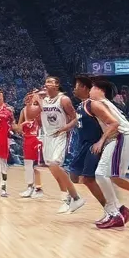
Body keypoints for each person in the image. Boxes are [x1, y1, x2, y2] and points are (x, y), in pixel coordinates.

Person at [88, 77, 129, 229]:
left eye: (92, 88)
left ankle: (116, 213)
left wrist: (101, 141)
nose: (89, 90)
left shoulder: (99, 103)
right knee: (113, 177)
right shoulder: (106, 103)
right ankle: (125, 208)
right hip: (125, 137)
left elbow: (115, 124)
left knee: (102, 174)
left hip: (122, 137)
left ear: (100, 90)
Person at [38, 76, 86, 214]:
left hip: (60, 135)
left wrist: (64, 129)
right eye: (46, 81)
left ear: (57, 85)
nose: (46, 84)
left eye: (50, 82)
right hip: (47, 137)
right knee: (53, 169)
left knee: (55, 163)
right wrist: (34, 97)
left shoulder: (63, 99)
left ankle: (76, 197)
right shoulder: (43, 99)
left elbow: (75, 119)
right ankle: (66, 199)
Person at [67, 76, 107, 208]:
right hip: (83, 145)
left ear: (84, 88)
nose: (74, 89)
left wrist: (101, 142)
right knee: (73, 175)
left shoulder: (92, 104)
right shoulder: (81, 106)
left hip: (93, 144)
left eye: (76, 86)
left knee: (88, 179)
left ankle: (111, 208)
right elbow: (77, 122)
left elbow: (110, 123)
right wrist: (64, 128)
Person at [14, 90, 44, 198]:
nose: (30, 96)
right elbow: (18, 129)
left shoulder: (42, 109)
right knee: (28, 166)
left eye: (33, 95)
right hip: (27, 140)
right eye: (29, 95)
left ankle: (39, 188)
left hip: (38, 139)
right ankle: (29, 187)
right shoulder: (24, 110)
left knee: (36, 166)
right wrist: (18, 123)